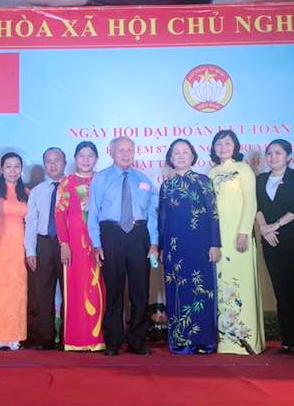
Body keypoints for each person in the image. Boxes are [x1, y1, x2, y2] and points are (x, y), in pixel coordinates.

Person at [88, 137, 158, 356]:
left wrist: (154, 242)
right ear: (111, 152)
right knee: (114, 290)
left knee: (140, 291)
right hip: (111, 235)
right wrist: (97, 244)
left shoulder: (143, 179)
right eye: (121, 150)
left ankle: (137, 341)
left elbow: (152, 213)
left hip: (139, 235)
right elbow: (93, 213)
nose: (126, 154)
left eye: (129, 150)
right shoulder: (101, 178)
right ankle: (113, 341)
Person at [158, 139, 221, 354]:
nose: (181, 156)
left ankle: (204, 341)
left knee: (201, 291)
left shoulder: (203, 181)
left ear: (193, 156)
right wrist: (162, 247)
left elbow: (213, 214)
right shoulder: (167, 185)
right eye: (176, 152)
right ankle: (180, 341)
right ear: (170, 158)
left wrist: (215, 244)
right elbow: (162, 219)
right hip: (174, 248)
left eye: (185, 152)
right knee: (178, 292)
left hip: (200, 246)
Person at [208, 130, 264, 355]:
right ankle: (224, 340)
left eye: (227, 143)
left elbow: (251, 202)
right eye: (219, 144)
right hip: (218, 238)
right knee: (222, 282)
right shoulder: (211, 173)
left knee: (241, 284)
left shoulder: (243, 169)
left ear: (235, 146)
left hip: (238, 235)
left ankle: (246, 340)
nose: (223, 147)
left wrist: (244, 232)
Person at [256, 139, 294, 355]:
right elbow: (257, 206)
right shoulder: (261, 179)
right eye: (269, 153)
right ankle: (287, 339)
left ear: (288, 156)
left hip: (293, 238)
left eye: (278, 153)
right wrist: (264, 229)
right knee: (280, 289)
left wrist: (276, 225)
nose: (273, 157)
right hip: (269, 240)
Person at [55, 142, 106, 352]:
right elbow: (59, 215)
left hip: (100, 242)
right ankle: (76, 339)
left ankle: (99, 337)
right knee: (76, 288)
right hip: (75, 242)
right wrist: (64, 243)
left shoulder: (102, 180)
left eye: (90, 155)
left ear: (96, 158)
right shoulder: (67, 182)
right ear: (75, 158)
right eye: (82, 155)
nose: (86, 160)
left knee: (99, 287)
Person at [0, 153, 28, 351]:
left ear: (21, 169)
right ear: (1, 169)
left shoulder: (26, 193)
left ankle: (14, 335)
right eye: (8, 166)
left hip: (19, 247)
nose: (12, 170)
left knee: (17, 290)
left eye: (16, 166)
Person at [23, 147, 66, 350]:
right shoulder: (37, 191)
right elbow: (31, 222)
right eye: (49, 161)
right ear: (44, 164)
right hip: (44, 243)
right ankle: (45, 338)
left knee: (69, 291)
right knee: (42, 292)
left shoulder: (73, 187)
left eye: (57, 160)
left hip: (67, 244)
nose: (53, 164)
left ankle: (68, 337)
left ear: (64, 163)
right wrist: (30, 251)